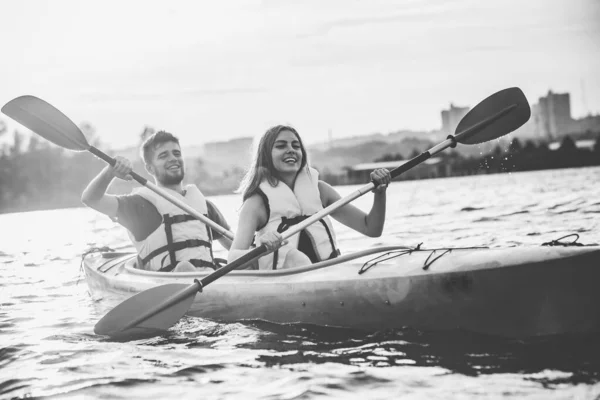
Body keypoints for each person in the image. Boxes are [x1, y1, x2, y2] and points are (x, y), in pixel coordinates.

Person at [228, 125, 391, 270]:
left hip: (327, 273)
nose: (291, 149)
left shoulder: (321, 191)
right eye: (281, 146)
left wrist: (380, 194)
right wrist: (258, 250)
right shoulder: (257, 203)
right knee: (297, 259)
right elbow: (232, 259)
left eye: (296, 146)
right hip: (284, 279)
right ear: (266, 155)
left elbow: (372, 229)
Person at [82, 130, 231, 272]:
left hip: (210, 283)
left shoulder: (204, 206)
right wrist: (109, 172)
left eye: (176, 153)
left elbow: (235, 246)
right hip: (167, 284)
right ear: (150, 168)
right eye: (163, 155)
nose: (173, 158)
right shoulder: (140, 205)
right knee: (184, 268)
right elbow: (91, 199)